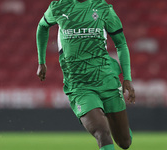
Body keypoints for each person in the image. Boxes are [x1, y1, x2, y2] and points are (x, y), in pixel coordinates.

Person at [36, 0, 135, 149]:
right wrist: (41, 61)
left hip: (106, 79)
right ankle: (101, 114)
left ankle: (117, 123)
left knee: (124, 142)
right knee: (102, 132)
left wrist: (127, 78)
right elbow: (42, 27)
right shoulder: (59, 6)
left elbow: (121, 43)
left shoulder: (103, 8)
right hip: (79, 85)